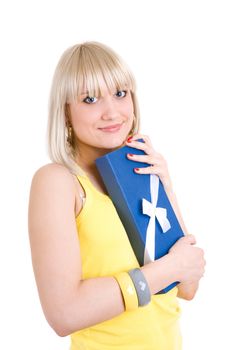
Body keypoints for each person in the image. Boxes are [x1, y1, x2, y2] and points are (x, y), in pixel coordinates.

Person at [28, 41, 206, 350]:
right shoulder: (58, 182)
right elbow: (64, 313)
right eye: (90, 98)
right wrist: (168, 269)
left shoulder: (138, 170)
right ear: (66, 112)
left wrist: (165, 186)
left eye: (120, 94)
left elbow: (186, 285)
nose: (112, 112)